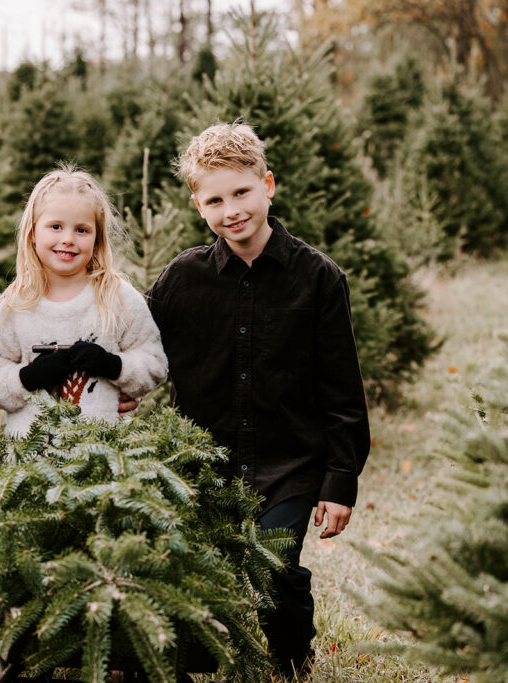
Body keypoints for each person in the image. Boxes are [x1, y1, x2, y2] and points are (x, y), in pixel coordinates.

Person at [145, 122, 371, 679]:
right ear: (199, 206)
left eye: (242, 192)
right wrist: (123, 385)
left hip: (289, 463)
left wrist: (339, 480)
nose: (232, 211)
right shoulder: (182, 278)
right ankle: (200, 659)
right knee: (197, 571)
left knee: (274, 565)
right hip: (205, 463)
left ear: (267, 185)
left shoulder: (318, 277)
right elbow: (139, 345)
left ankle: (291, 663)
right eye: (215, 200)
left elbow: (342, 387)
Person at [0, 165, 167, 436]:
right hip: (31, 457)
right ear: (33, 233)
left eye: (82, 230)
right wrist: (27, 378)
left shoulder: (119, 298)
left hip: (105, 453)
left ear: (97, 238)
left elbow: (154, 363)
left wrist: (113, 365)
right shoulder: (14, 307)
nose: (68, 239)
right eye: (56, 227)